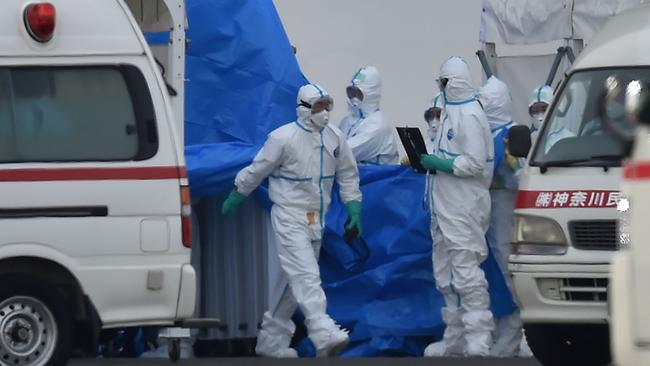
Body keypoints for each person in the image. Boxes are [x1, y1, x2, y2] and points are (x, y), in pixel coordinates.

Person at [221, 84, 363, 358]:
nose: (324, 113)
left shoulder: (335, 138)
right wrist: (238, 194)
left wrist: (354, 208)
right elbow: (257, 169)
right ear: (303, 108)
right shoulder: (283, 138)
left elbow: (348, 175)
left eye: (327, 106)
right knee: (306, 273)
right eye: (318, 107)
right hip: (289, 215)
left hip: (316, 217)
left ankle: (271, 341)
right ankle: (322, 330)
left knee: (290, 281)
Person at [420, 57, 495, 357]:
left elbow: (475, 163)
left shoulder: (471, 115)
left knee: (467, 272)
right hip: (443, 207)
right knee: (445, 274)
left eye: (444, 81)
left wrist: (441, 164)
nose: (441, 87)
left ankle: (478, 339)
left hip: (464, 206)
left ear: (455, 81)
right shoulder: (448, 113)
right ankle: (455, 338)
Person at [479, 76, 530, 357]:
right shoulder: (488, 134)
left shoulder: (511, 135)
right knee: (492, 271)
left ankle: (515, 333)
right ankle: (501, 330)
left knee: (505, 265)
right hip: (487, 207)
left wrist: (515, 165)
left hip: (506, 207)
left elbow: (523, 178)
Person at [339, 66, 400, 164]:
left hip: (376, 179)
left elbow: (344, 153)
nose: (354, 98)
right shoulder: (347, 121)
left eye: (358, 93)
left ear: (371, 94)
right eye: (351, 92)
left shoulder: (378, 126)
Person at [400, 92, 444, 166]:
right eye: (430, 116)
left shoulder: (453, 140)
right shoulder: (430, 140)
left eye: (438, 116)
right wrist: (413, 157)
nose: (434, 121)